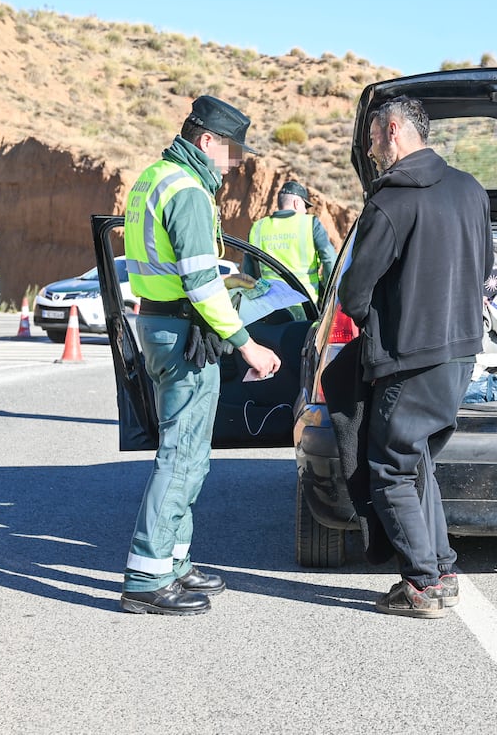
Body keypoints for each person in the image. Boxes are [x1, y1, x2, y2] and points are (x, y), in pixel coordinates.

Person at [119, 95, 281, 616]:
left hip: (162, 325)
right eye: (231, 151)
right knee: (181, 457)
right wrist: (247, 344)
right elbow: (202, 282)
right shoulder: (187, 191)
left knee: (188, 454)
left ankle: (174, 563)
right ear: (206, 140)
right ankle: (147, 576)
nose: (233, 163)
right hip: (183, 329)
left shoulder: (153, 178)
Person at [338, 96, 493, 618]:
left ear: (395, 130)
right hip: (461, 354)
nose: (370, 147)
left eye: (374, 137)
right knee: (418, 460)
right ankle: (442, 567)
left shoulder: (391, 202)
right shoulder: (471, 190)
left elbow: (355, 290)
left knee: (390, 467)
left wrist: (371, 318)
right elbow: (486, 263)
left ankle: (423, 584)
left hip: (409, 356)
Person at [243, 180, 337, 304]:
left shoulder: (258, 227)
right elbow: (329, 259)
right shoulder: (309, 223)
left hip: (269, 305)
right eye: (305, 206)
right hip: (305, 304)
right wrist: (328, 290)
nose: (305, 211)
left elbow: (249, 270)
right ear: (296, 203)